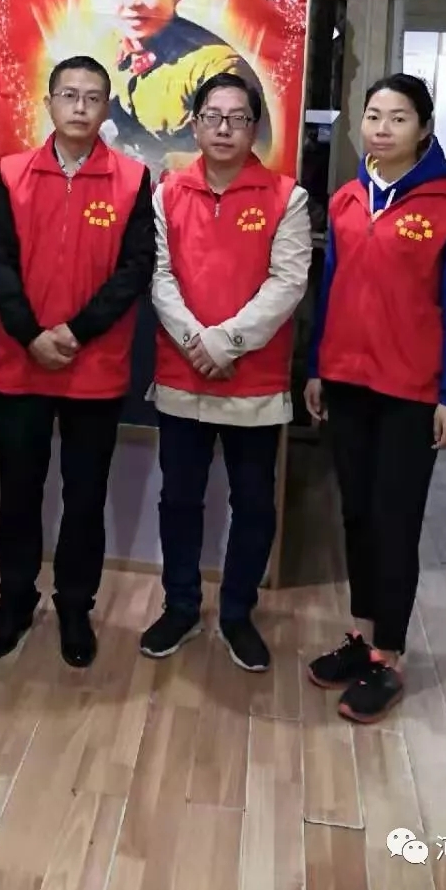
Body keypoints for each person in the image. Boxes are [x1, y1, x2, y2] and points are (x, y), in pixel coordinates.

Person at [304, 73, 446, 723]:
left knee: (394, 520)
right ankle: (362, 636)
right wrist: (318, 367)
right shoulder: (348, 199)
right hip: (348, 382)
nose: (381, 129)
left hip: (412, 392)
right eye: (373, 116)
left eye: (398, 117)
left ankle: (390, 655)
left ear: (424, 129)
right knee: (355, 514)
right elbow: (331, 290)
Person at [0, 55, 156, 667]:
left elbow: (135, 269)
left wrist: (76, 332)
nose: (80, 107)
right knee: (19, 494)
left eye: (92, 97)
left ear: (106, 107)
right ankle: (14, 601)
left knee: (85, 498)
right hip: (21, 364)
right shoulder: (12, 173)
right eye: (68, 95)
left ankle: (76, 607)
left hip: (95, 368)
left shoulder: (132, 179)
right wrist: (31, 334)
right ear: (49, 103)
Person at [141, 74, 311, 672]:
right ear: (194, 125)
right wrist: (196, 341)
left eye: (237, 118)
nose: (223, 128)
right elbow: (159, 276)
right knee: (179, 499)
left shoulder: (287, 196)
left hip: (253, 380)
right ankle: (181, 605)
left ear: (254, 128)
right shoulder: (167, 193)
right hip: (183, 373)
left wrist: (226, 342)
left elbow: (288, 282)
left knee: (255, 504)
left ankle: (238, 612)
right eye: (212, 116)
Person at [95, 0, 276, 174]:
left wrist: (175, 164)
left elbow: (256, 151)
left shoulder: (217, 66)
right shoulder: (103, 50)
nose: (132, 2)